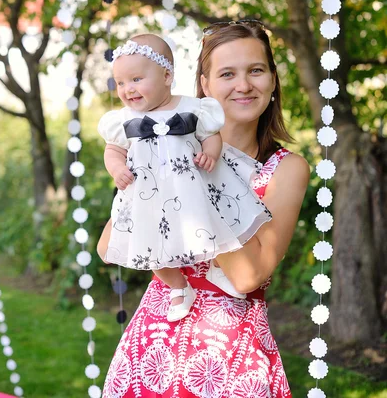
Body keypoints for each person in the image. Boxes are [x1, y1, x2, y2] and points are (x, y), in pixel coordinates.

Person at [99, 21, 310, 398]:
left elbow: (248, 277)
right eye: (227, 74)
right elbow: (112, 242)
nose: (243, 85)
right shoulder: (160, 146)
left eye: (256, 71)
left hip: (230, 353)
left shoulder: (285, 169)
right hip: (155, 339)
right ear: (205, 85)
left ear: (273, 81)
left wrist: (199, 183)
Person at [97, 33, 272, 322]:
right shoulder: (123, 120)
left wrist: (211, 154)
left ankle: (218, 269)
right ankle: (178, 285)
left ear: (167, 76)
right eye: (121, 83)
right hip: (151, 195)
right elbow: (113, 150)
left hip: (192, 186)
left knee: (213, 223)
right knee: (150, 247)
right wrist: (117, 169)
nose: (128, 89)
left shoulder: (191, 107)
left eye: (137, 80)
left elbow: (210, 136)